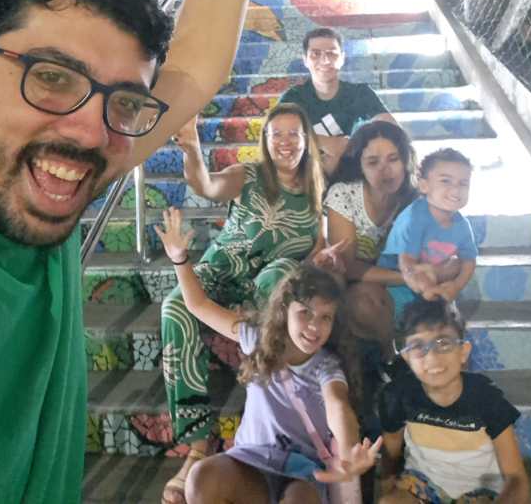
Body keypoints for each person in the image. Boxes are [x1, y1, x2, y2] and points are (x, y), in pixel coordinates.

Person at [0, 0, 274, 504]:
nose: (90, 132)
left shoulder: (38, 173)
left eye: (120, 103)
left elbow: (194, 72)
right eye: (51, 77)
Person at [156, 210, 382, 504]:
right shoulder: (256, 339)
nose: (314, 326)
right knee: (200, 478)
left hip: (302, 471)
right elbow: (198, 305)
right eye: (305, 313)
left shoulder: (327, 365)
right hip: (251, 460)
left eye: (325, 317)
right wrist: (179, 259)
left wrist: (350, 450)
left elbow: (338, 405)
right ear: (285, 309)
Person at [160, 103, 325, 502]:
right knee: (175, 307)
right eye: (276, 134)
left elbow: (317, 250)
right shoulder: (248, 176)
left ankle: (267, 430)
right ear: (265, 141)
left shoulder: (318, 191)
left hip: (270, 289)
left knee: (280, 273)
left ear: (306, 140)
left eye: (293, 134)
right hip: (220, 272)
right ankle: (197, 446)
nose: (285, 142)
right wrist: (192, 146)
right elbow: (205, 185)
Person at [378, 299, 530, 503]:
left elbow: (516, 478)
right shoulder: (398, 395)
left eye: (443, 343)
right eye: (418, 346)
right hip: (421, 483)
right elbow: (391, 448)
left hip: (480, 489)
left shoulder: (487, 399)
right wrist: (387, 487)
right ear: (406, 358)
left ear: (463, 352)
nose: (432, 357)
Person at [322, 121, 419, 358]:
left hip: (397, 277)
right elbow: (347, 267)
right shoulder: (344, 194)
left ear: (405, 160)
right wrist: (406, 277)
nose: (385, 170)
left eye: (393, 159)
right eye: (373, 162)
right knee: (365, 303)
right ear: (360, 166)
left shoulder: (415, 200)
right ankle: (390, 356)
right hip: (353, 280)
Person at [279, 27, 394, 176]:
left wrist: (352, 145)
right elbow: (278, 137)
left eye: (331, 54)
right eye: (316, 54)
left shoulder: (360, 93)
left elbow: (392, 130)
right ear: (305, 60)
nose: (325, 60)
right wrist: (326, 142)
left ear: (342, 58)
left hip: (353, 176)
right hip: (305, 177)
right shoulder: (293, 98)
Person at [379, 148, 477, 315]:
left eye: (463, 183)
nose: (456, 189)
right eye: (446, 181)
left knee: (457, 265)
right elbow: (408, 264)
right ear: (424, 185)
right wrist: (429, 290)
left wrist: (456, 286)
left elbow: (469, 262)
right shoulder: (415, 217)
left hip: (431, 277)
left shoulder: (462, 225)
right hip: (397, 280)